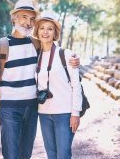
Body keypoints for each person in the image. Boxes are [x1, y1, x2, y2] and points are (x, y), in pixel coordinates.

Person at [0, 0, 80, 159]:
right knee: (10, 154)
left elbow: (55, 55)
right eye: (23, 17)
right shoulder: (0, 46)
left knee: (25, 155)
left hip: (32, 108)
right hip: (9, 109)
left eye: (31, 19)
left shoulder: (36, 45)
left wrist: (75, 59)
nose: (28, 23)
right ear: (14, 18)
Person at [32, 11, 82, 159]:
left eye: (50, 28)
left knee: (63, 155)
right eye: (42, 28)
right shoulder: (35, 55)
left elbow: (76, 85)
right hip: (44, 113)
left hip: (64, 113)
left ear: (55, 33)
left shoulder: (66, 55)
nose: (45, 32)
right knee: (52, 155)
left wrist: (75, 113)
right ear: (37, 32)